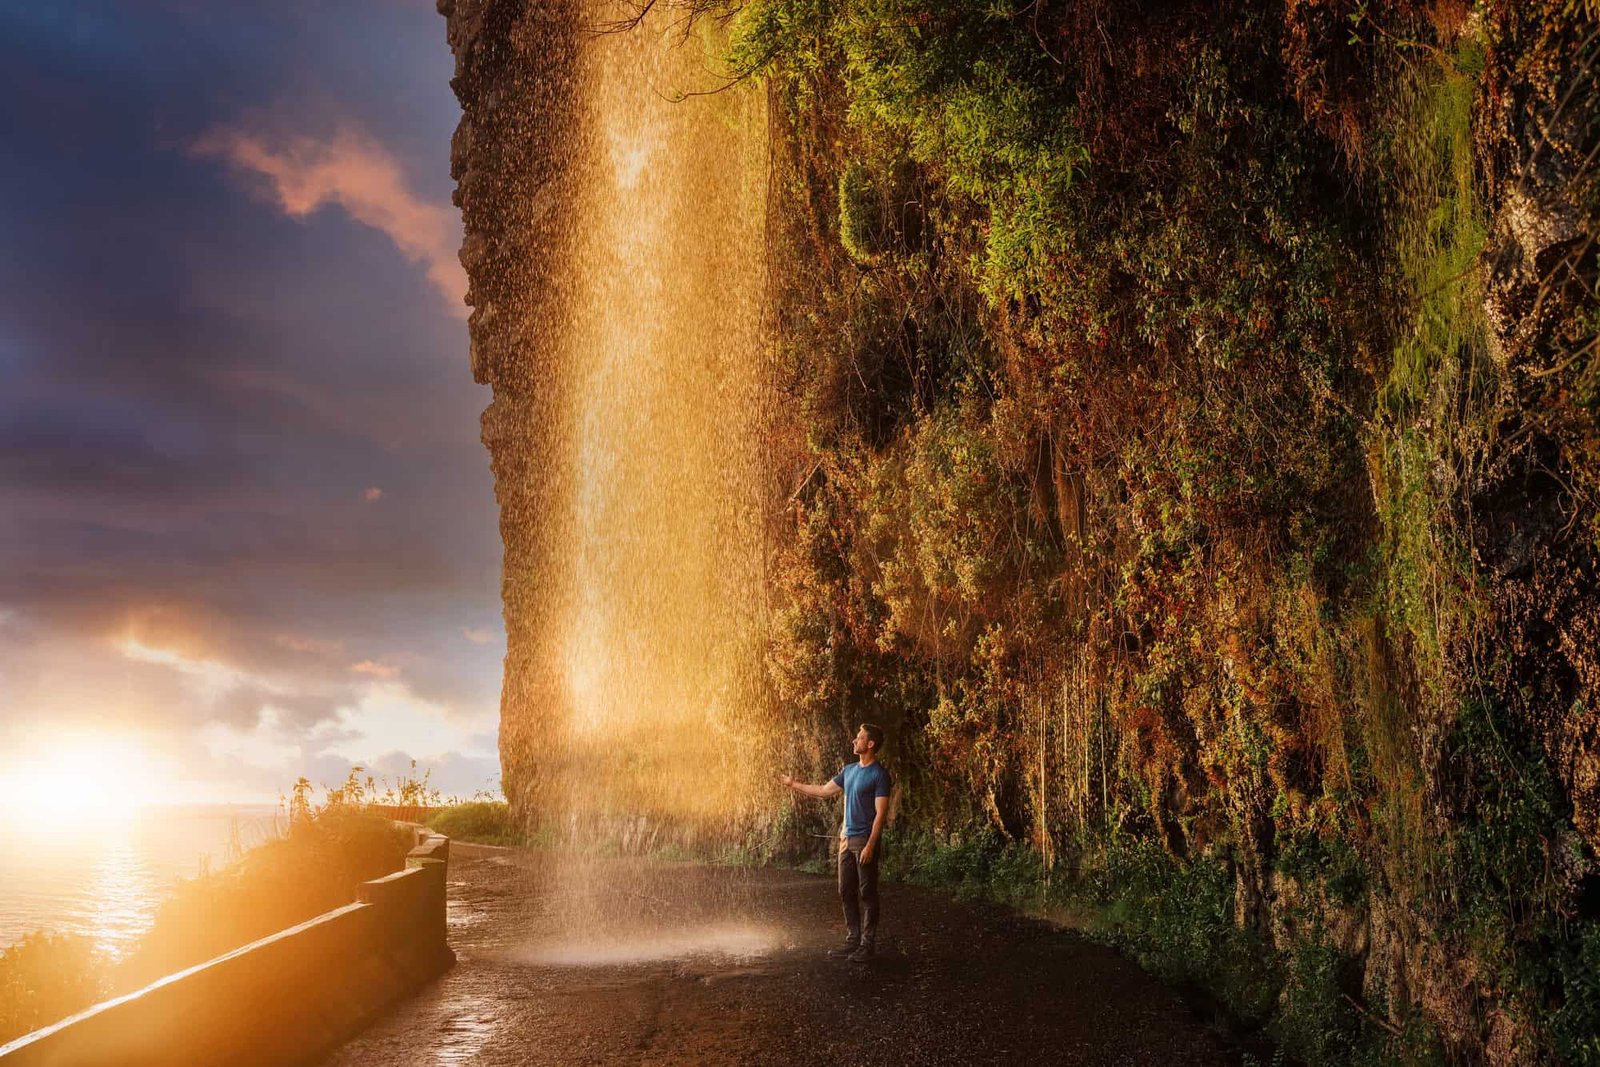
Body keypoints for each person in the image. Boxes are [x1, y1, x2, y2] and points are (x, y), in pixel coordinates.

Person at [778, 723, 893, 962]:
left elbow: (881, 814)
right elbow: (823, 791)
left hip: (863, 840)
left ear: (870, 744)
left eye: (859, 738)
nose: (854, 741)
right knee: (845, 891)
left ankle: (867, 945)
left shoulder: (879, 774)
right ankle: (853, 941)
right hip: (846, 839)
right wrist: (792, 784)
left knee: (867, 892)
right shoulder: (849, 770)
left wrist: (871, 845)